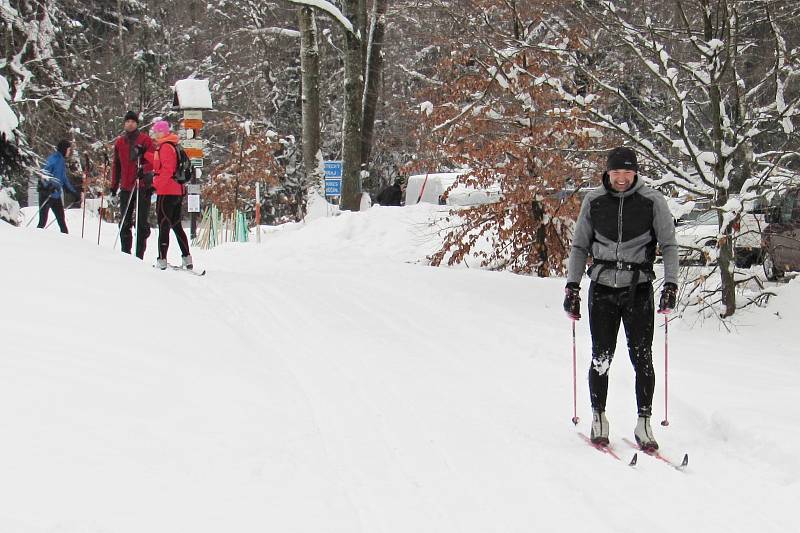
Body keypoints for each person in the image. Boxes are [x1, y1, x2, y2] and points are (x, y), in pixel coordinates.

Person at [563, 146, 679, 452]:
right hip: (601, 288)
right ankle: (598, 416)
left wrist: (671, 285)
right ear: (608, 173)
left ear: (635, 172)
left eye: (627, 172)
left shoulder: (652, 201)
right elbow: (578, 246)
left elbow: (668, 245)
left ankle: (644, 422)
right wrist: (572, 288)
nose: (622, 177)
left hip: (637, 289)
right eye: (616, 172)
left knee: (642, 357)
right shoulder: (594, 200)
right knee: (601, 356)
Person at [144, 120, 192, 270]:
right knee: (176, 225)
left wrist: (154, 186)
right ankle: (187, 258)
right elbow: (159, 163)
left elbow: (167, 170)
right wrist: (145, 154)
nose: (155, 134)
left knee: (164, 224)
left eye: (157, 131)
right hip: (177, 190)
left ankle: (162, 259)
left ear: (163, 132)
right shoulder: (172, 145)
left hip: (166, 191)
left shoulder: (165, 147)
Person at [110, 111, 154, 258]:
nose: (130, 124)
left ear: (137, 124)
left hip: (142, 186)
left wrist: (145, 172)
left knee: (141, 223)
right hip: (126, 187)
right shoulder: (120, 142)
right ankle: (125, 254)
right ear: (124, 123)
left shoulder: (145, 140)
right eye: (127, 121)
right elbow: (116, 166)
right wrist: (113, 187)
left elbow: (153, 160)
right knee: (124, 221)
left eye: (133, 121)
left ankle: (139, 255)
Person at [37, 140, 78, 233]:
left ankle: (65, 243)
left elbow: (63, 179)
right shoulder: (54, 159)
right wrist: (47, 186)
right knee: (42, 222)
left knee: (62, 222)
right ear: (64, 149)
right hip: (47, 194)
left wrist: (73, 192)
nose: (69, 152)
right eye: (68, 149)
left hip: (56, 196)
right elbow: (43, 173)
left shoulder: (62, 161)